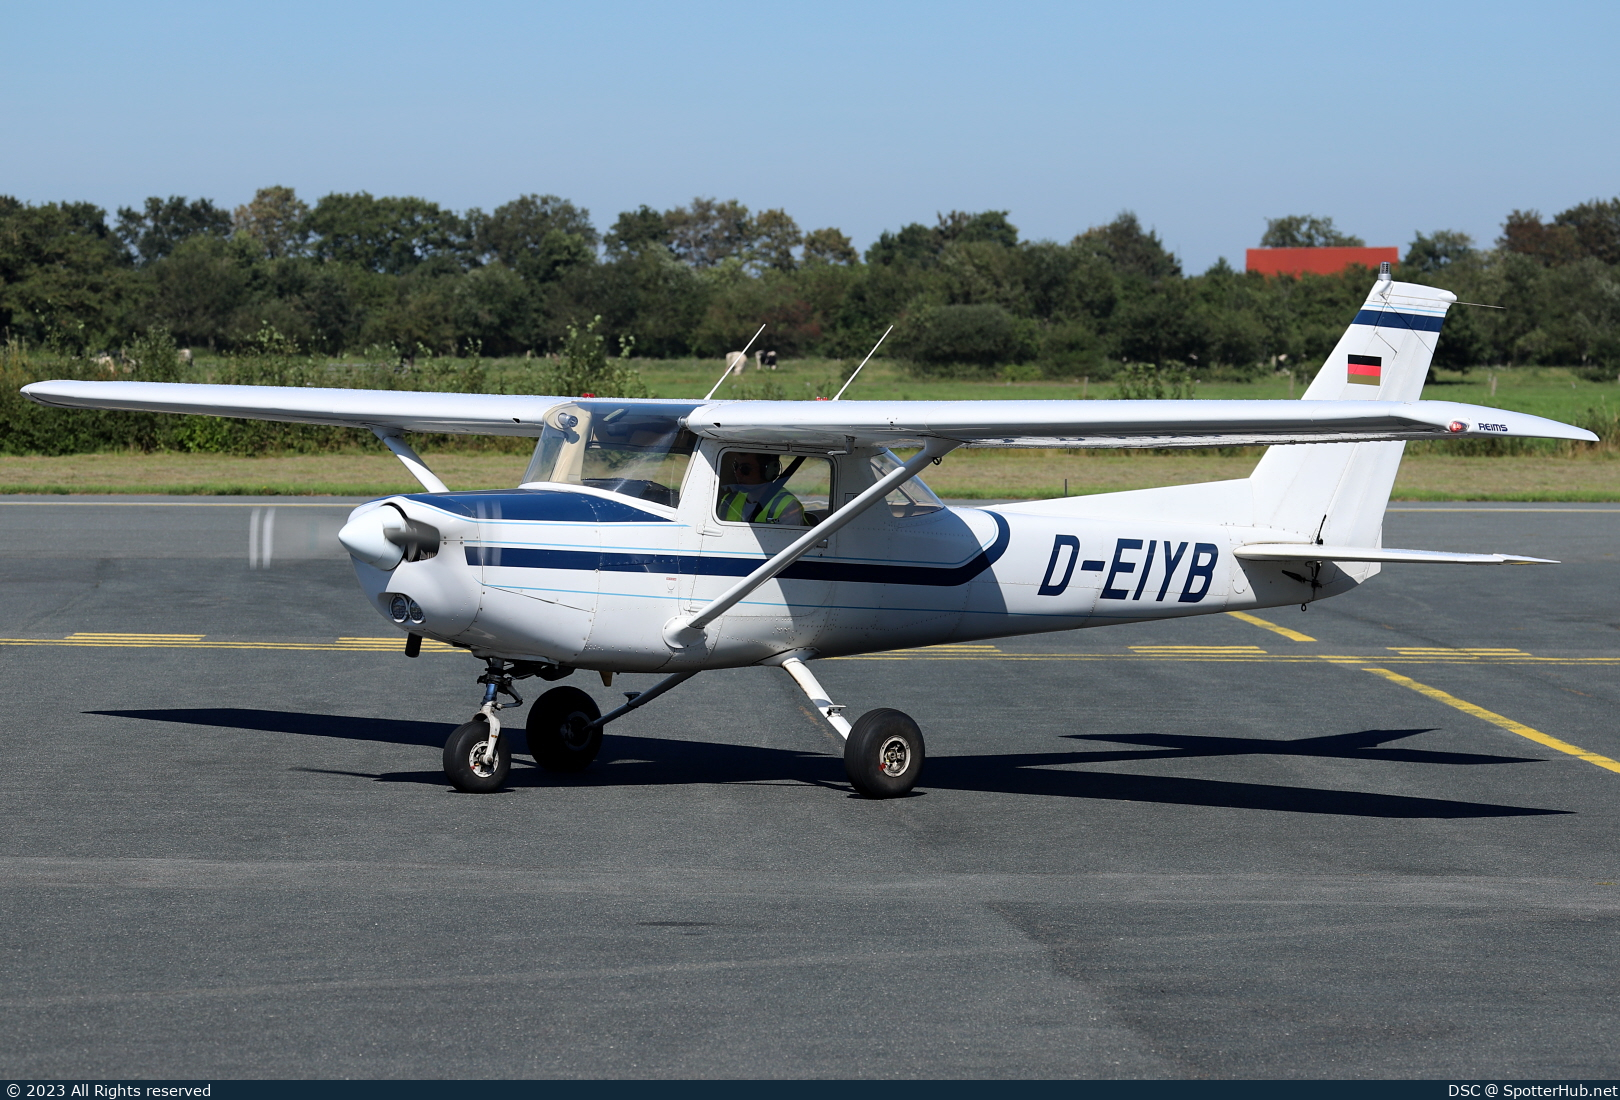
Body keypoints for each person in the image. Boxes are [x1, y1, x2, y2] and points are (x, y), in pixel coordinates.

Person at [717, 452, 805, 525]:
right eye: (735, 467)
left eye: (745, 469)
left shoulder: (788, 505)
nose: (737, 474)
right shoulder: (728, 500)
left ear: (768, 471)